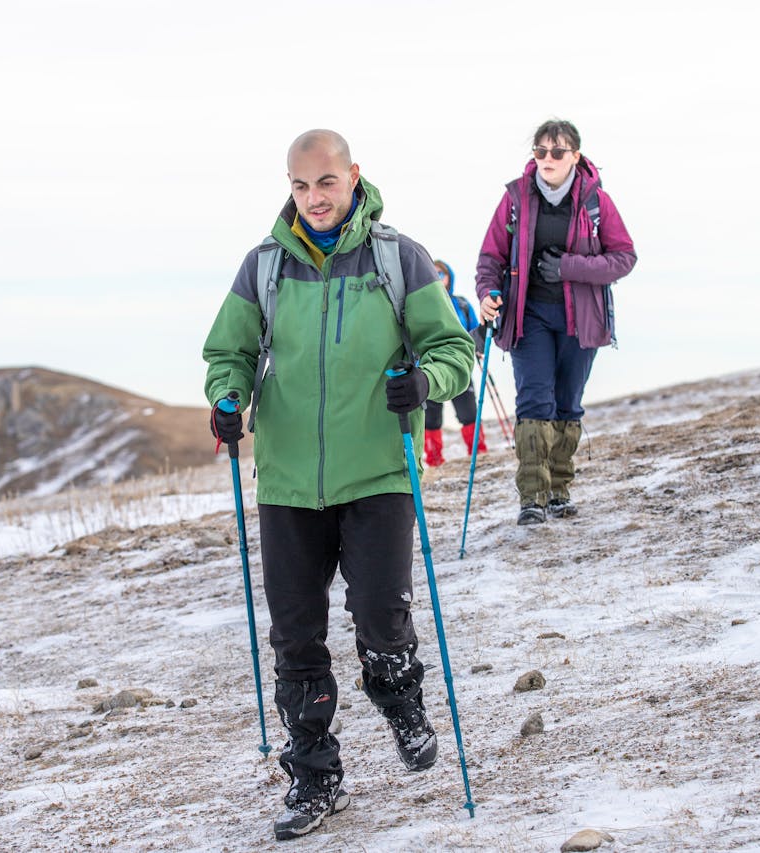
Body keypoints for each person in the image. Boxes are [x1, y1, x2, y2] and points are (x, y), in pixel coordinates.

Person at [202, 129, 475, 841]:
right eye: (300, 185)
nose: (314, 198)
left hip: (380, 468)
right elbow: (227, 351)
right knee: (296, 637)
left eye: (325, 183)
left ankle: (399, 698)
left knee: (382, 611)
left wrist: (426, 381)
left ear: (354, 176)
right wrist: (227, 398)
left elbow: (453, 349)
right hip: (288, 480)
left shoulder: (397, 258)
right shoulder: (263, 266)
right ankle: (316, 775)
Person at [475, 119, 636, 525]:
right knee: (534, 402)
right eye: (540, 151)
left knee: (567, 404)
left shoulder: (596, 201)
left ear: (575, 157)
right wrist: (487, 295)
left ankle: (560, 491)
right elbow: (491, 257)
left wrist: (568, 267)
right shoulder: (516, 199)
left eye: (557, 152)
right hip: (529, 317)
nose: (547, 159)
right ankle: (533, 496)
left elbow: (623, 258)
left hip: (581, 319)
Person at [423, 259, 487, 466]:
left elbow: (474, 330)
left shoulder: (461, 304)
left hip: (460, 366)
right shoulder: (421, 303)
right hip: (430, 365)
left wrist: (478, 346)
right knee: (431, 418)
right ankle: (433, 460)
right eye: (433, 273)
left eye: (441, 274)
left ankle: (478, 454)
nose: (438, 277)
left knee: (468, 413)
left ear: (450, 277)